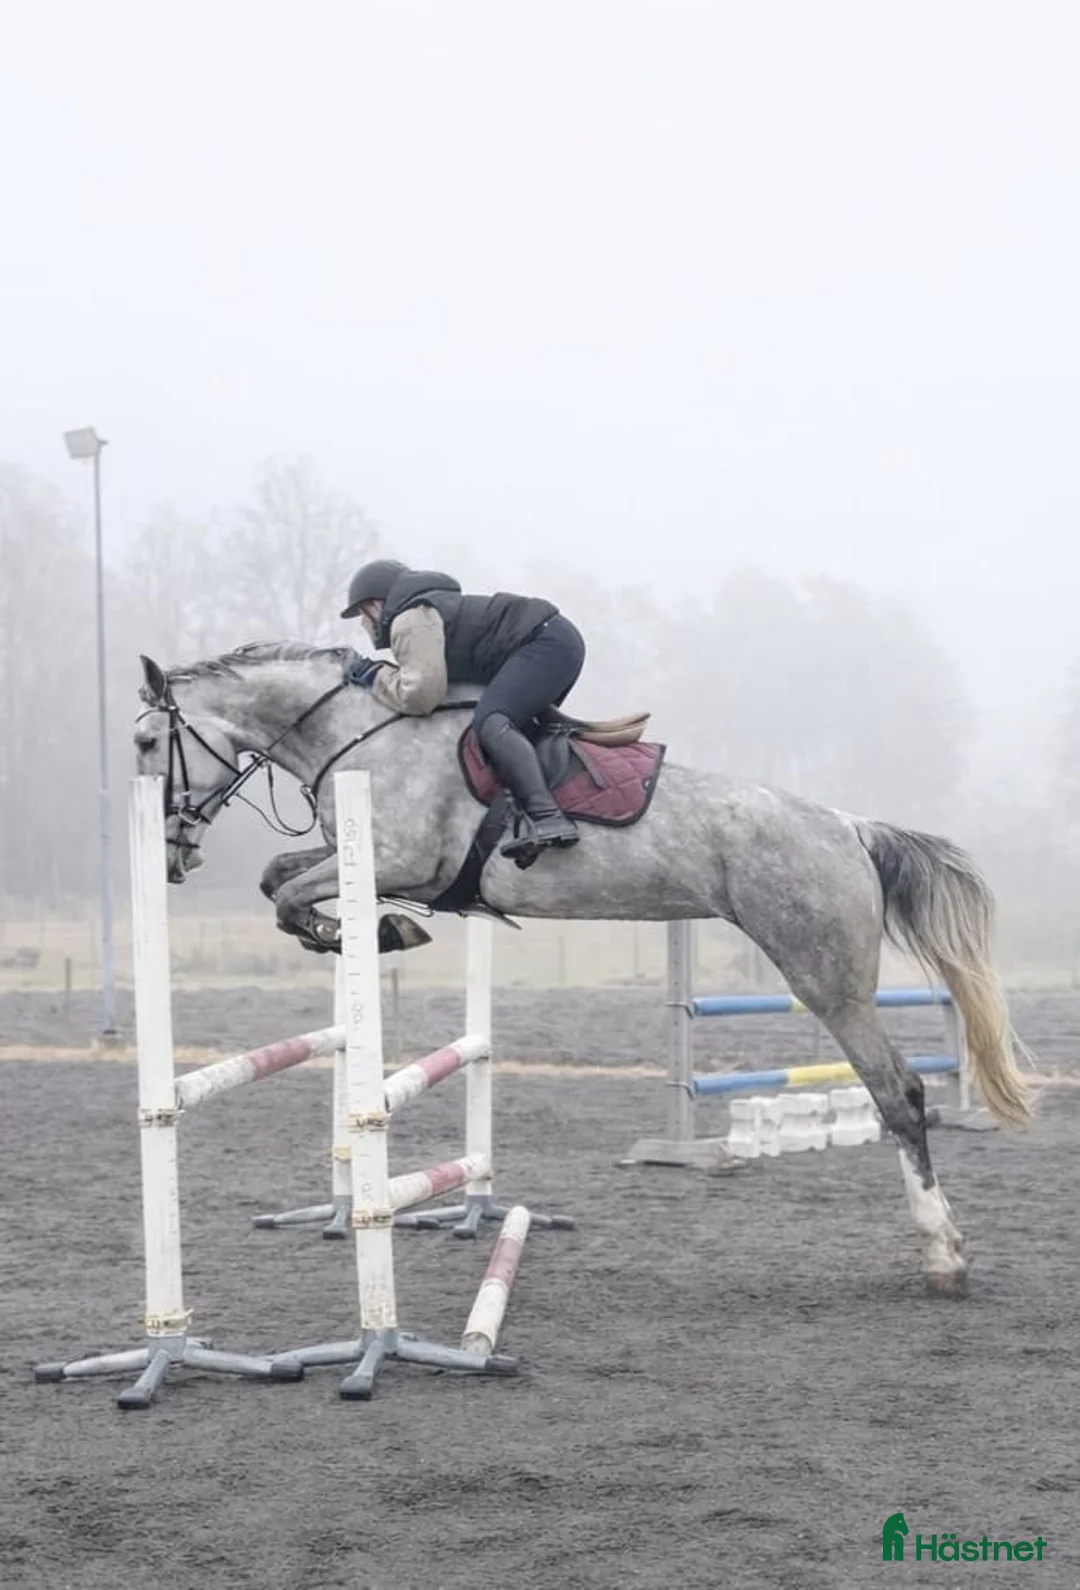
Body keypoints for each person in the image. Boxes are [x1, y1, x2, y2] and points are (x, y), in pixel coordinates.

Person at [340, 559, 584, 860]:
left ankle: (548, 817)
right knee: (500, 725)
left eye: (362, 614)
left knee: (493, 722)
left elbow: (420, 696)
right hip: (552, 639)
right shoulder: (421, 612)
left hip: (546, 644)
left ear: (377, 605)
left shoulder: (410, 620)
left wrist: (374, 674)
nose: (363, 625)